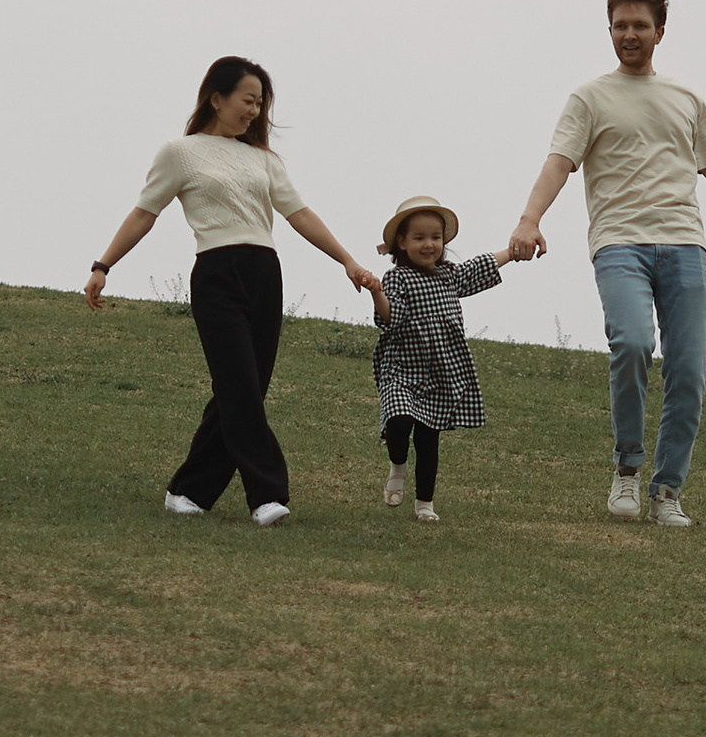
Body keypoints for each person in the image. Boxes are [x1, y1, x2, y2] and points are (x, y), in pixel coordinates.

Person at [508, 0, 706, 528]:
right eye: (620, 25)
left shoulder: (686, 100)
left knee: (689, 370)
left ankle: (666, 490)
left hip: (686, 247)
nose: (629, 34)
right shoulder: (590, 98)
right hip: (619, 242)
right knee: (632, 342)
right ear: (610, 31)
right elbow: (558, 163)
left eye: (639, 25)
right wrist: (530, 219)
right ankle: (627, 468)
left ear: (659, 33)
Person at [85, 56, 381, 524]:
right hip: (217, 274)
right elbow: (144, 213)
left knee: (244, 389)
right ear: (216, 98)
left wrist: (348, 261)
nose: (254, 110)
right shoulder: (179, 153)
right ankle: (266, 494)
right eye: (248, 99)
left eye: (260, 103)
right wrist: (104, 265)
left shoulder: (263, 159)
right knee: (240, 385)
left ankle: (188, 492)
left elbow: (299, 214)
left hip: (265, 273)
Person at [368, 196, 531, 521]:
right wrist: (376, 291)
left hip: (442, 373)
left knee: (429, 439)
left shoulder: (449, 276)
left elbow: (480, 266)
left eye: (436, 237)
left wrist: (512, 252)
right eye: (419, 238)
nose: (429, 244)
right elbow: (391, 317)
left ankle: (424, 503)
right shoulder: (398, 278)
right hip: (401, 370)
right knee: (399, 421)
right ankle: (397, 465)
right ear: (401, 242)